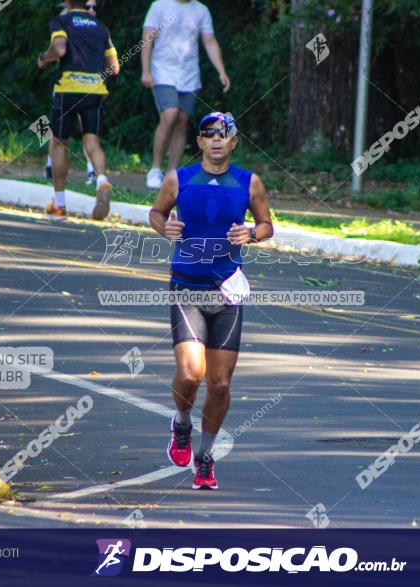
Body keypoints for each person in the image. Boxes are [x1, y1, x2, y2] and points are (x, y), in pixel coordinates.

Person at [149, 112, 273, 490]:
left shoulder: (249, 182)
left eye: (224, 134)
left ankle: (205, 456)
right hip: (187, 286)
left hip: (227, 291)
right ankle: (181, 424)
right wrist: (163, 225)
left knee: (219, 384)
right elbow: (156, 213)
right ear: (200, 142)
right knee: (191, 374)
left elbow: (268, 226)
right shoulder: (179, 180)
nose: (216, 140)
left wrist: (251, 234)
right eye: (209, 135)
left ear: (233, 142)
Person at [38, 0, 118, 219]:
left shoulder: (61, 20)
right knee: (92, 141)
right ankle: (101, 181)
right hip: (94, 90)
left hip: (68, 90)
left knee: (59, 142)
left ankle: (59, 205)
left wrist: (44, 59)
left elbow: (59, 48)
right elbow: (114, 67)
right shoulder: (100, 26)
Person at [141, 0, 231, 190]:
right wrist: (146, 71)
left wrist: (221, 70)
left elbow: (209, 41)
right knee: (170, 114)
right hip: (162, 72)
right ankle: (155, 168)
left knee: (182, 120)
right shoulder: (159, 6)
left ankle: (172, 173)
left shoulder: (201, 10)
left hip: (189, 76)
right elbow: (147, 39)